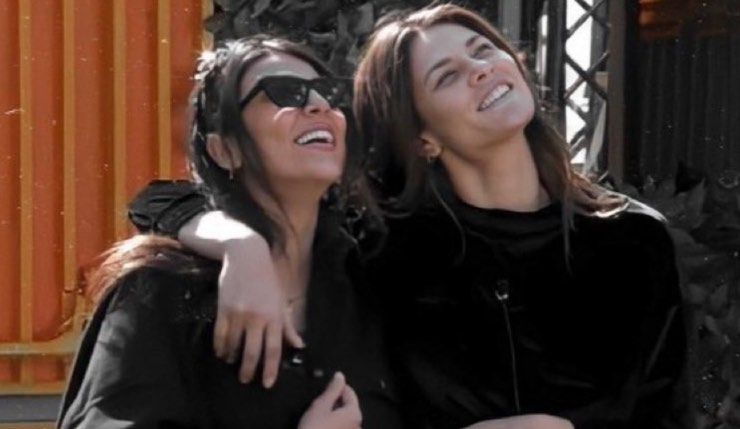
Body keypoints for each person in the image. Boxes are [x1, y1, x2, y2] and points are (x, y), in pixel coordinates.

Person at [126, 4, 688, 429]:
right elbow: (159, 199)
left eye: (484, 50)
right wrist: (241, 247)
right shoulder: (381, 245)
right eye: (446, 75)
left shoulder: (634, 240)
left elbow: (662, 412)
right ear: (421, 137)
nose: (480, 70)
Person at [56, 36, 402, 429]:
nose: (319, 104)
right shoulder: (164, 291)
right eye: (284, 92)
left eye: (328, 91)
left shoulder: (371, 283)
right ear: (225, 150)